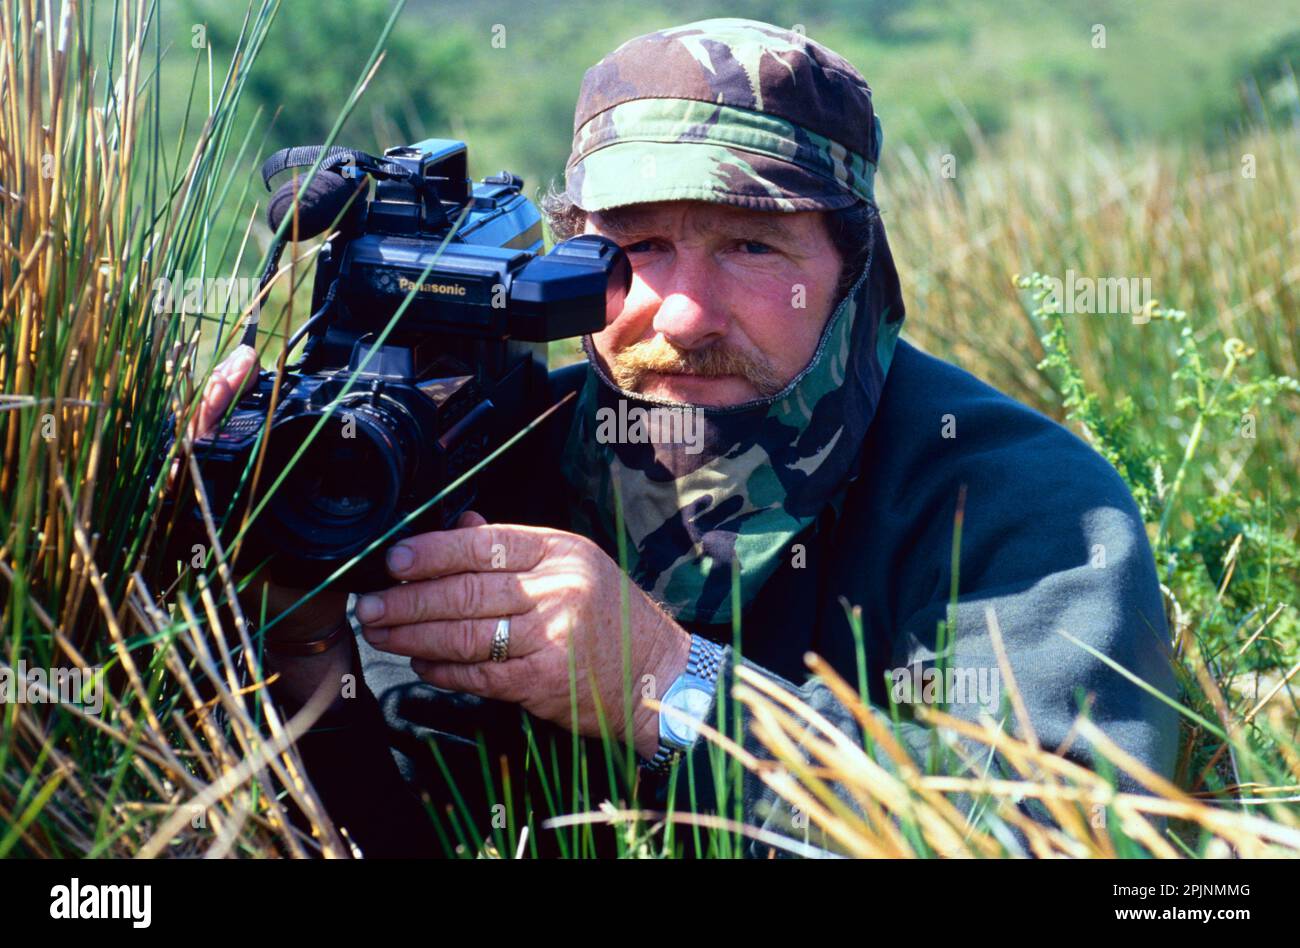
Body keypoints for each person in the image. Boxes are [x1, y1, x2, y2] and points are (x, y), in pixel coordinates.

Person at [192, 18, 1179, 857]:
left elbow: (1067, 840)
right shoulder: (478, 459)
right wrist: (296, 618)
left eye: (751, 245)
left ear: (852, 265)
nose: (681, 314)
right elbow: (398, 830)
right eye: (638, 246)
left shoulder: (1020, 503)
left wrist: (670, 689)